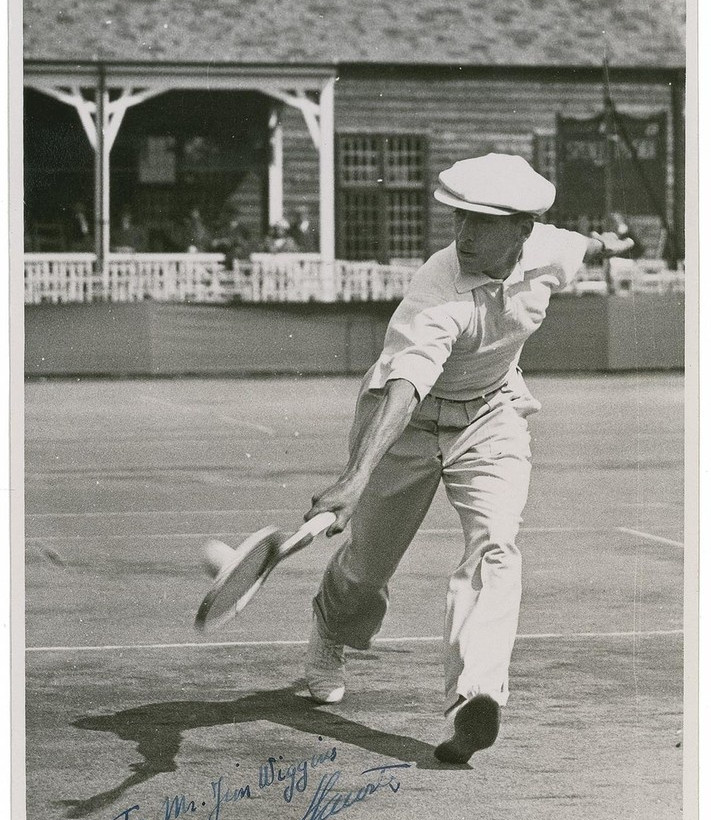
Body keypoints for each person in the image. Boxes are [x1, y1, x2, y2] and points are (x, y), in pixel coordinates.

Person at [302, 153, 633, 765]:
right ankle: (330, 626)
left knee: (496, 544)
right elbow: (405, 387)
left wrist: (614, 244)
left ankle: (474, 694)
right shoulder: (437, 289)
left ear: (522, 229)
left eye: (481, 222)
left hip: (493, 413)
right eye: (460, 218)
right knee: (366, 571)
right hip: (406, 422)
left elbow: (584, 246)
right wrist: (354, 478)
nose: (464, 233)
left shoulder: (547, 249)